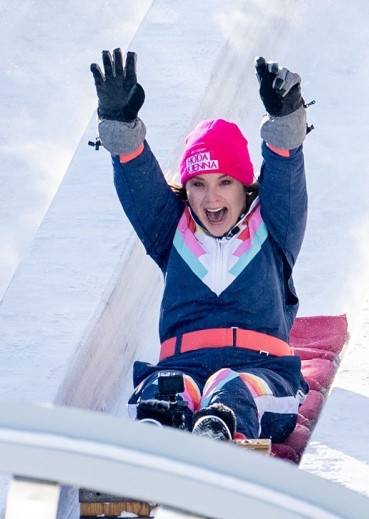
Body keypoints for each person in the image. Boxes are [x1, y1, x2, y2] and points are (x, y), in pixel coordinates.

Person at [90, 49, 311, 441]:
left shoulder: (273, 227)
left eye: (225, 182)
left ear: (244, 186)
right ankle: (159, 434)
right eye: (198, 184)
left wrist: (284, 120)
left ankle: (218, 438)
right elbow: (137, 176)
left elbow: (285, 170)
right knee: (165, 388)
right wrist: (120, 123)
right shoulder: (172, 230)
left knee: (231, 386)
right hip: (182, 366)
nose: (211, 199)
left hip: (263, 371)